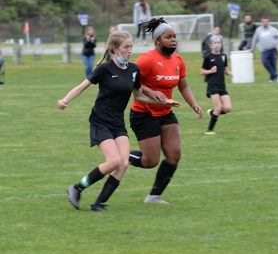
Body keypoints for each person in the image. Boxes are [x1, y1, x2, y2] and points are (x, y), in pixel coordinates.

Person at [57, 30, 177, 211]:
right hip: (100, 121)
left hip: (118, 123)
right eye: (126, 47)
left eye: (131, 47)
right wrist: (65, 100)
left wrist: (164, 102)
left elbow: (139, 96)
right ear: (115, 49)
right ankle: (76, 188)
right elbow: (81, 87)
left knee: (123, 163)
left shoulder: (134, 70)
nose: (130, 51)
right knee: (113, 161)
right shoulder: (104, 69)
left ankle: (98, 203)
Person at [128, 16, 203, 204]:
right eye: (168, 37)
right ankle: (119, 155)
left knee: (174, 154)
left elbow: (183, 86)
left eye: (174, 36)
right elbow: (129, 81)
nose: (173, 40)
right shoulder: (146, 60)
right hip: (144, 114)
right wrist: (150, 91)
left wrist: (194, 104)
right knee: (150, 161)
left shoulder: (178, 60)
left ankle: (154, 196)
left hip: (166, 112)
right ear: (157, 41)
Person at [201, 35, 233, 135]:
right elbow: (202, 71)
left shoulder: (223, 56)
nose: (217, 44)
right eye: (215, 43)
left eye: (218, 43)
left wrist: (228, 72)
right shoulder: (208, 57)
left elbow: (224, 68)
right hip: (212, 86)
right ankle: (209, 130)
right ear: (210, 45)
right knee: (218, 108)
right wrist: (210, 71)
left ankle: (212, 113)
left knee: (228, 108)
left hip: (222, 86)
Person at [250, 17, 278, 82]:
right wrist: (252, 48)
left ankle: (272, 78)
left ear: (268, 22)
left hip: (273, 49)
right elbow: (254, 39)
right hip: (265, 50)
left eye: (266, 22)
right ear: (261, 22)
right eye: (263, 22)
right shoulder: (258, 30)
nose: (265, 23)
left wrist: (277, 43)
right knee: (265, 62)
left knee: (273, 65)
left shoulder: (273, 29)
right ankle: (277, 75)